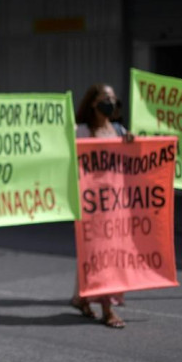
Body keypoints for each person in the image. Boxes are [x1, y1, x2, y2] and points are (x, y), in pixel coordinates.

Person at [70, 83, 132, 329]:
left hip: (116, 204)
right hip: (90, 205)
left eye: (114, 99)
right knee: (98, 254)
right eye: (105, 98)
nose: (110, 103)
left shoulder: (119, 130)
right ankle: (107, 309)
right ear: (92, 103)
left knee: (107, 254)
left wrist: (132, 142)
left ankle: (82, 298)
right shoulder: (81, 131)